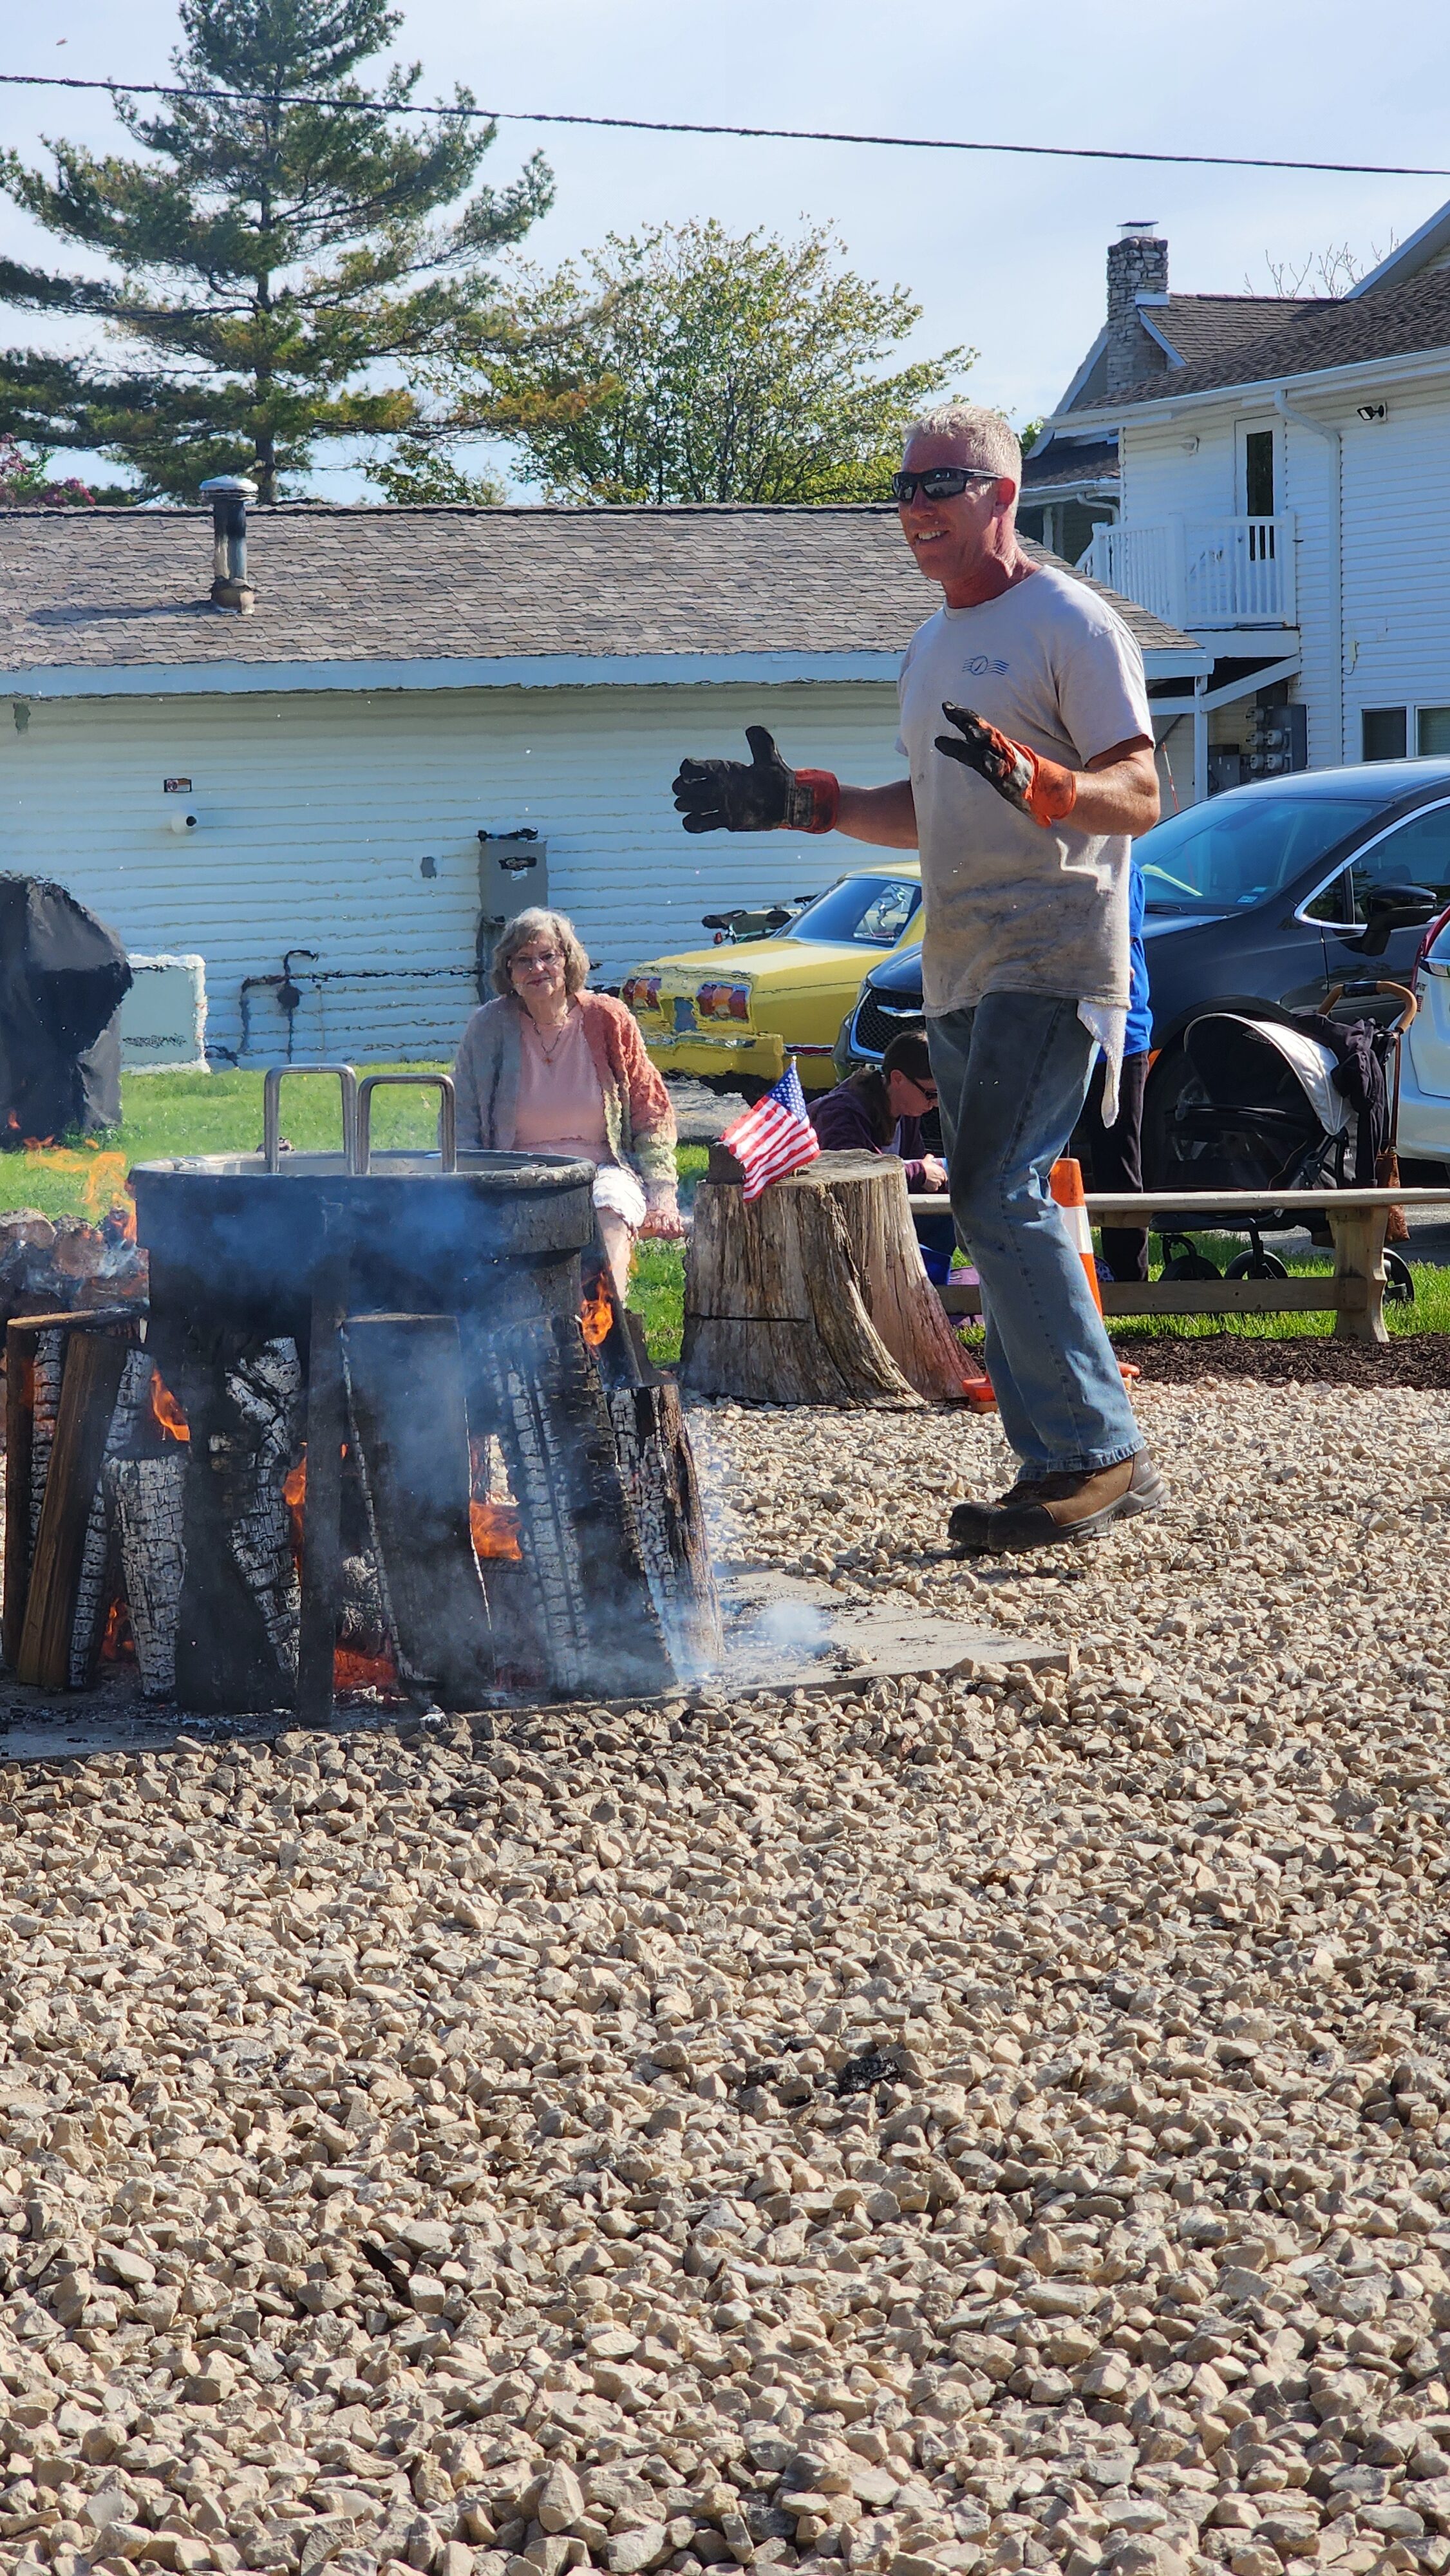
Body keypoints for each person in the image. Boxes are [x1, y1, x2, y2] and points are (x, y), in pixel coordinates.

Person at [671, 402, 1165, 1555]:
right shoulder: (929, 645)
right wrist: (810, 806)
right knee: (992, 1200)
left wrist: (1049, 783)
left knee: (997, 1188)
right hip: (957, 961)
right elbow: (932, 808)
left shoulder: (1071, 624)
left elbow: (1139, 793)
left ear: (1002, 493)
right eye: (900, 489)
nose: (912, 509)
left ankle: (1093, 1455)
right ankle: (1070, 1456)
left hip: (1054, 949)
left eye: (937, 485)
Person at [453, 907, 683, 1302]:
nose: (537, 968)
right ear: (508, 971)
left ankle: (605, 1339)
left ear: (568, 960)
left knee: (609, 1213)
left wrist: (662, 1196)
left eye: (548, 956)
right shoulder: (489, 1027)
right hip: (516, 1174)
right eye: (523, 960)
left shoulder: (608, 1019)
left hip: (600, 1170)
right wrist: (470, 1192)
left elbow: (652, 1114)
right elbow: (462, 1120)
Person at [809, 1028, 957, 1282]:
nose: (934, 1104)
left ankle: (932, 1284)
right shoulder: (843, 1111)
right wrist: (919, 1171)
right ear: (897, 1078)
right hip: (831, 1224)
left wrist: (926, 1170)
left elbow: (915, 1163)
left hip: (876, 1212)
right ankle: (921, 1285)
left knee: (952, 1180)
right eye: (931, 1094)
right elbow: (850, 1174)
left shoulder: (906, 1112)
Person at [1069, 855, 1151, 1284]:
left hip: (1120, 1038)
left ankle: (1130, 1280)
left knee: (1117, 1160)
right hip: (1064, 1036)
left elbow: (1114, 941)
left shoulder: (1123, 866)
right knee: (1053, 1160)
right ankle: (1066, 1268)